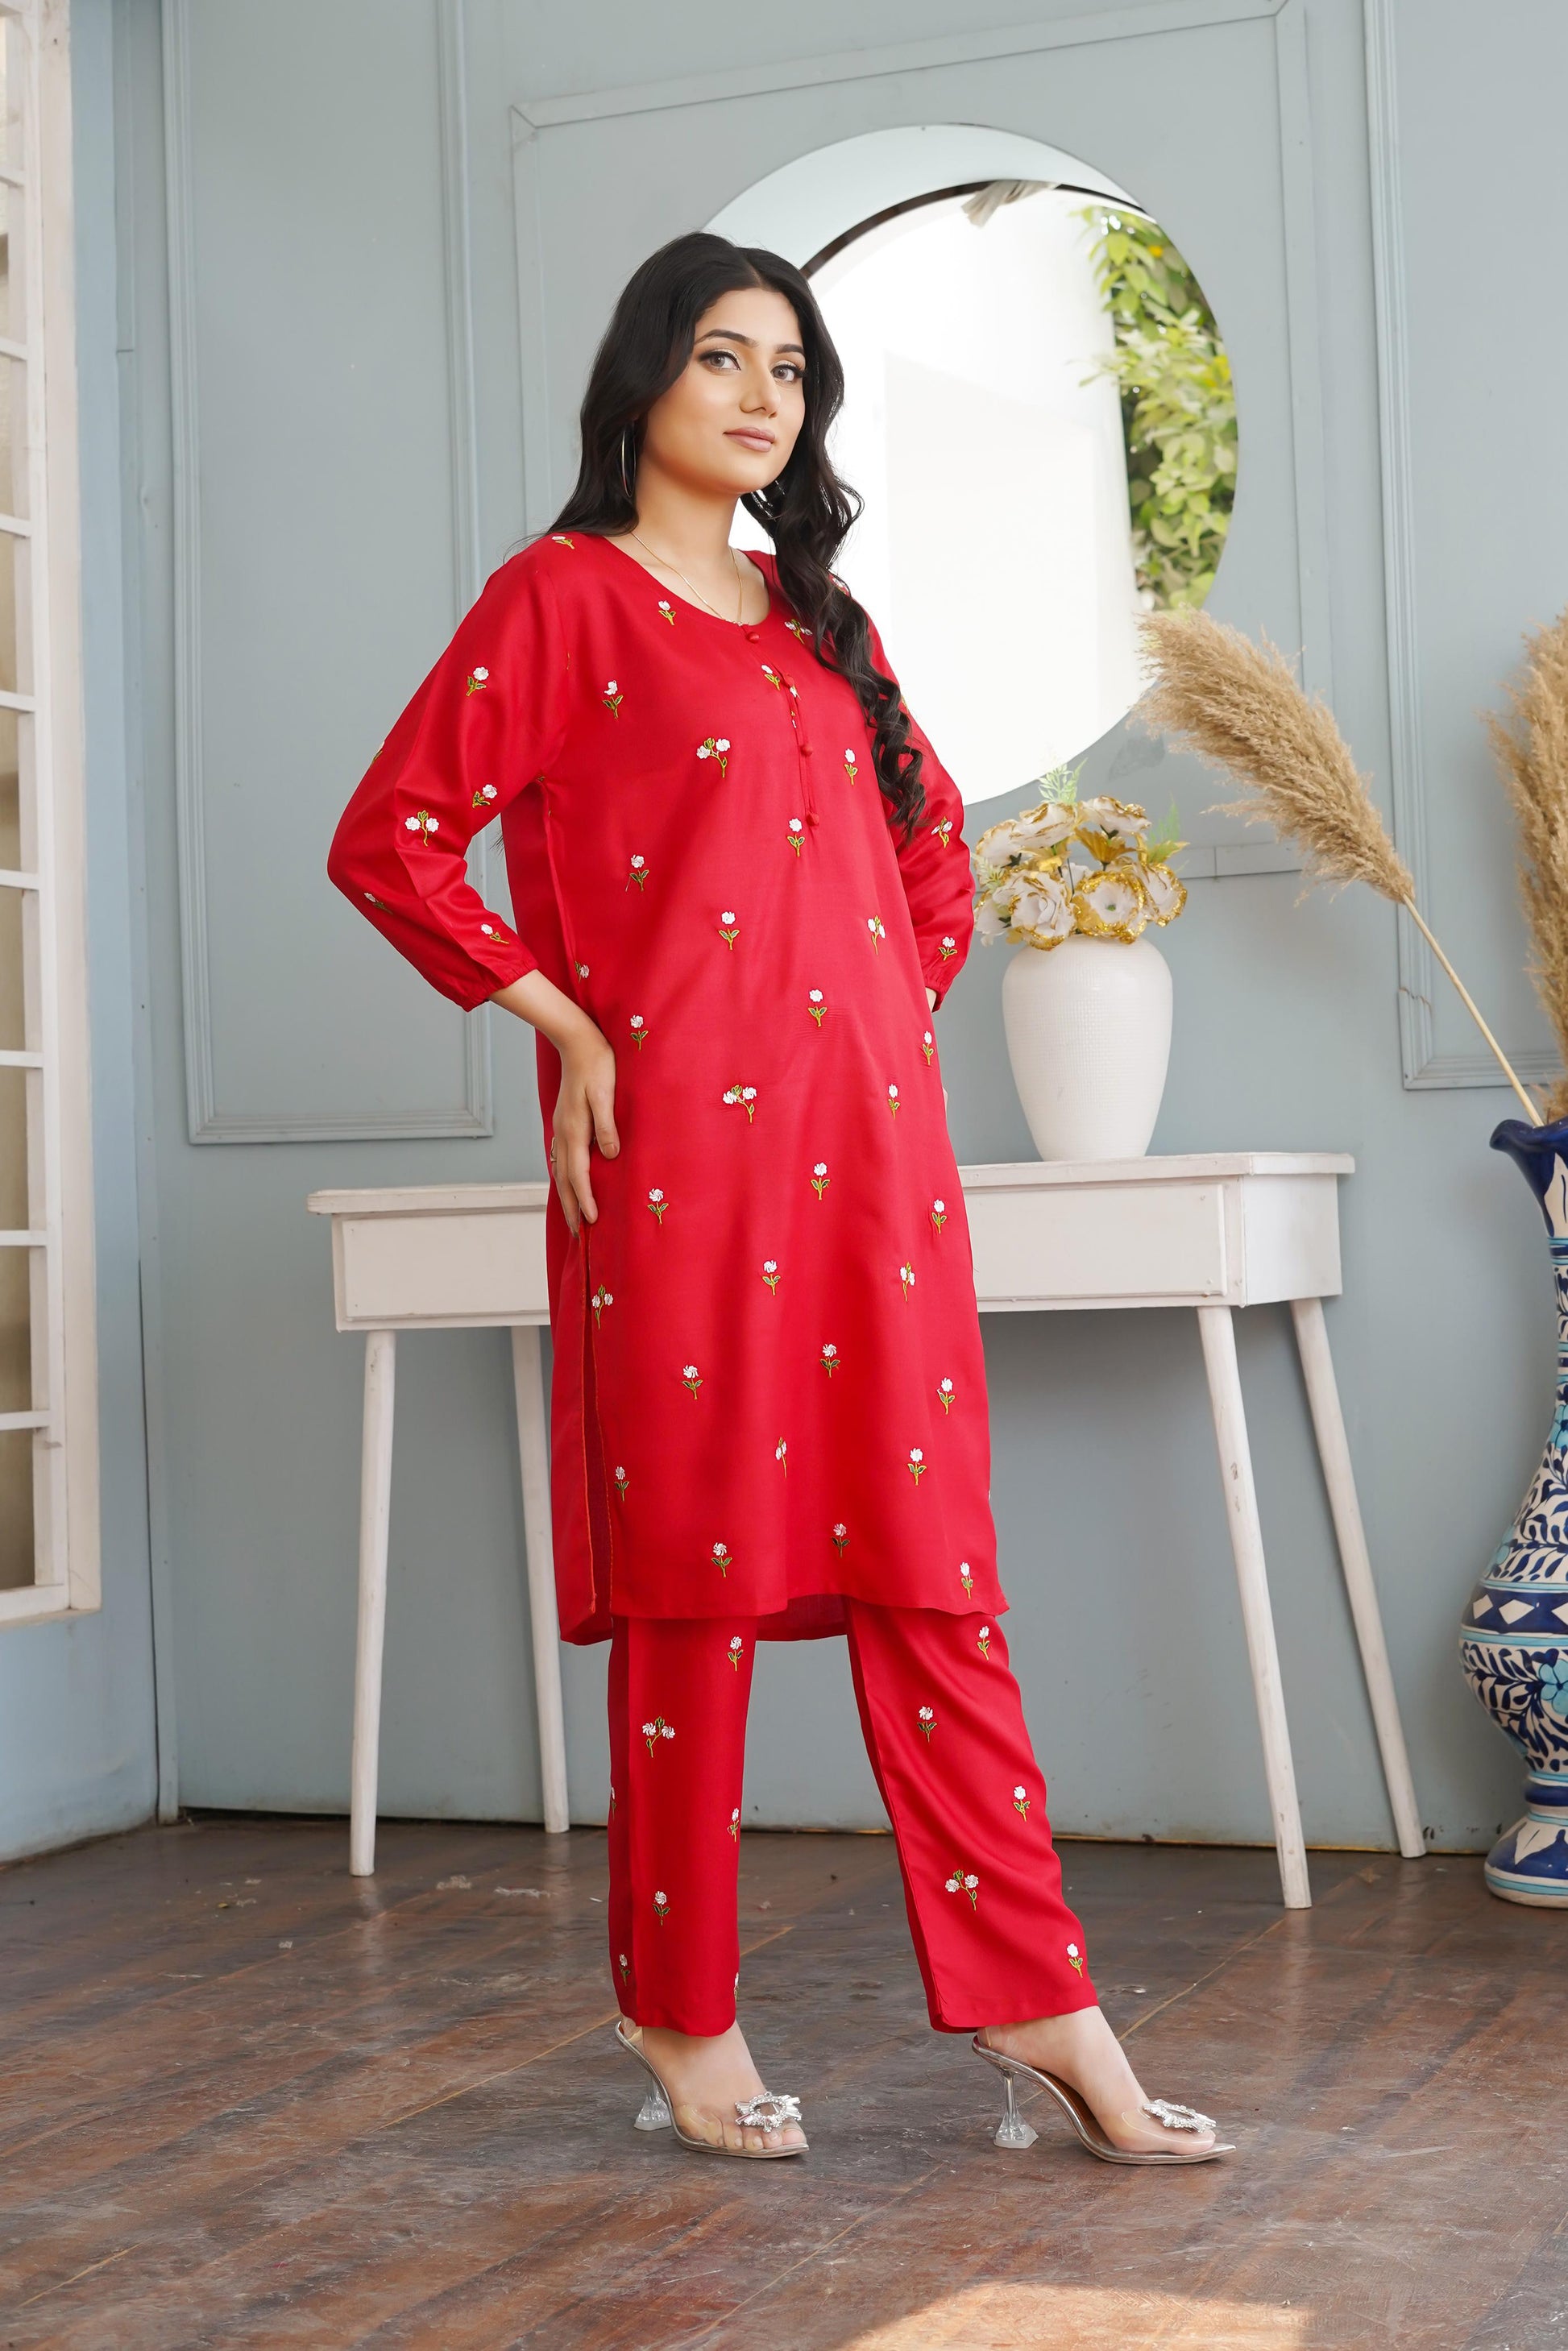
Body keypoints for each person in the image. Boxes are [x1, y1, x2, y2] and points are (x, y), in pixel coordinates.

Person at [328, 231, 1230, 2169]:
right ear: (643, 379)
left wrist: (860, 1032)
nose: (763, 396)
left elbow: (930, 857)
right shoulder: (559, 600)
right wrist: (569, 1021)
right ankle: (680, 2007)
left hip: (870, 1160)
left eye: (792, 368)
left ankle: (1041, 1998)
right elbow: (390, 838)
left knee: (933, 1562)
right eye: (724, 357)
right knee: (696, 1575)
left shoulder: (823, 619)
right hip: (672, 1154)